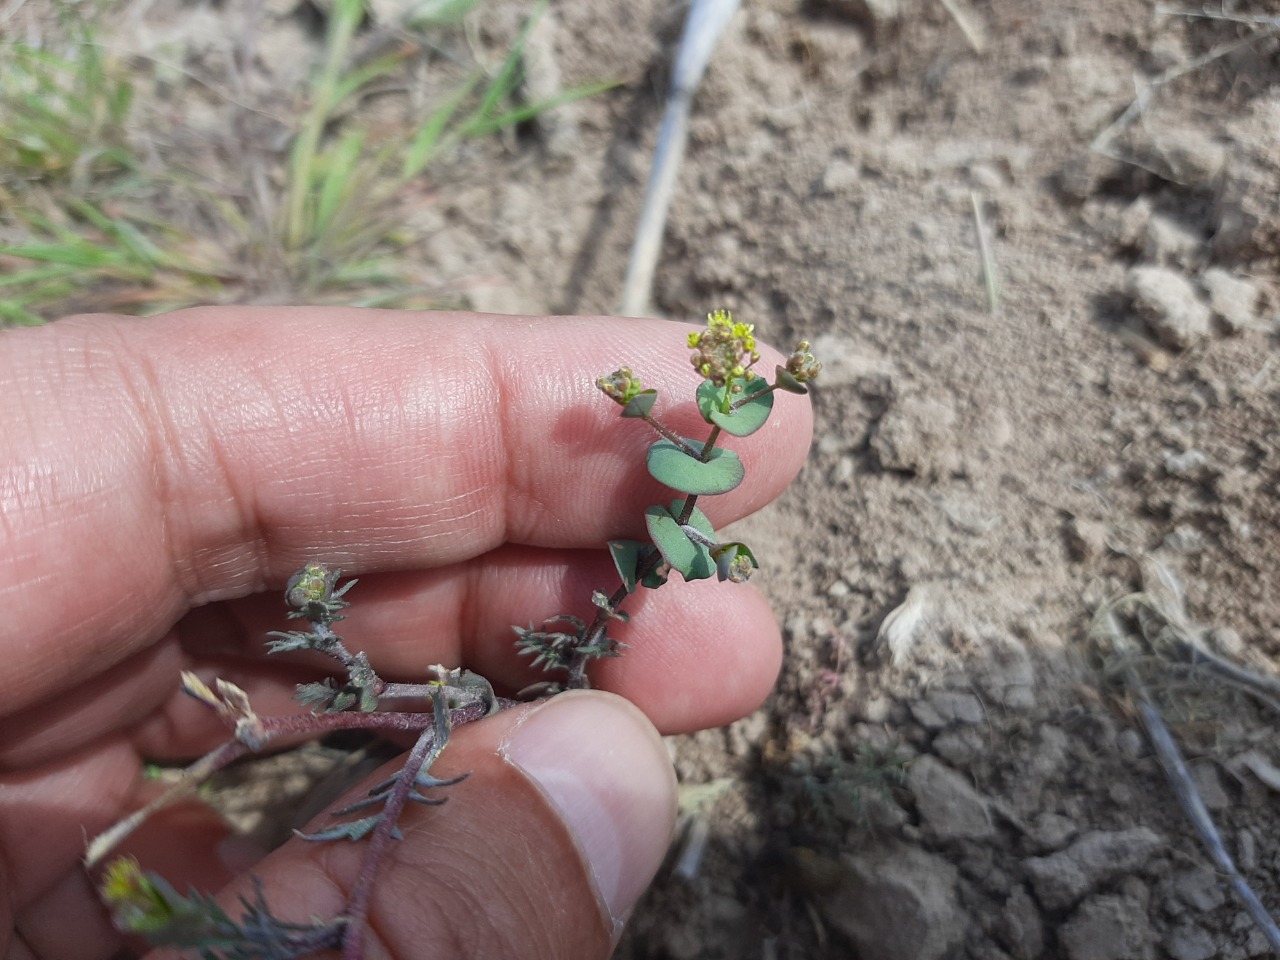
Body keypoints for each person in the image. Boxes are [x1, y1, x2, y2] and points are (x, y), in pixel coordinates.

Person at [0, 306, 813, 959]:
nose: (720, 384)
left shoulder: (708, 444)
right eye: (721, 374)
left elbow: (690, 488)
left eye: (726, 374)